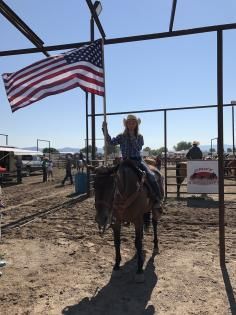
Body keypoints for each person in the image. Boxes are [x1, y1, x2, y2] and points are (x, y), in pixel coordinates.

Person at [102, 114, 162, 208]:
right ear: (126, 124)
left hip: (137, 161)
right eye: (129, 123)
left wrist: (132, 136)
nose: (131, 124)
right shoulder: (121, 136)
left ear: (136, 125)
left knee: (151, 176)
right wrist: (105, 130)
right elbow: (110, 142)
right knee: (109, 176)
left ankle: (157, 199)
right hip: (125, 161)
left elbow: (138, 147)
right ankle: (108, 201)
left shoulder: (140, 136)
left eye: (133, 123)